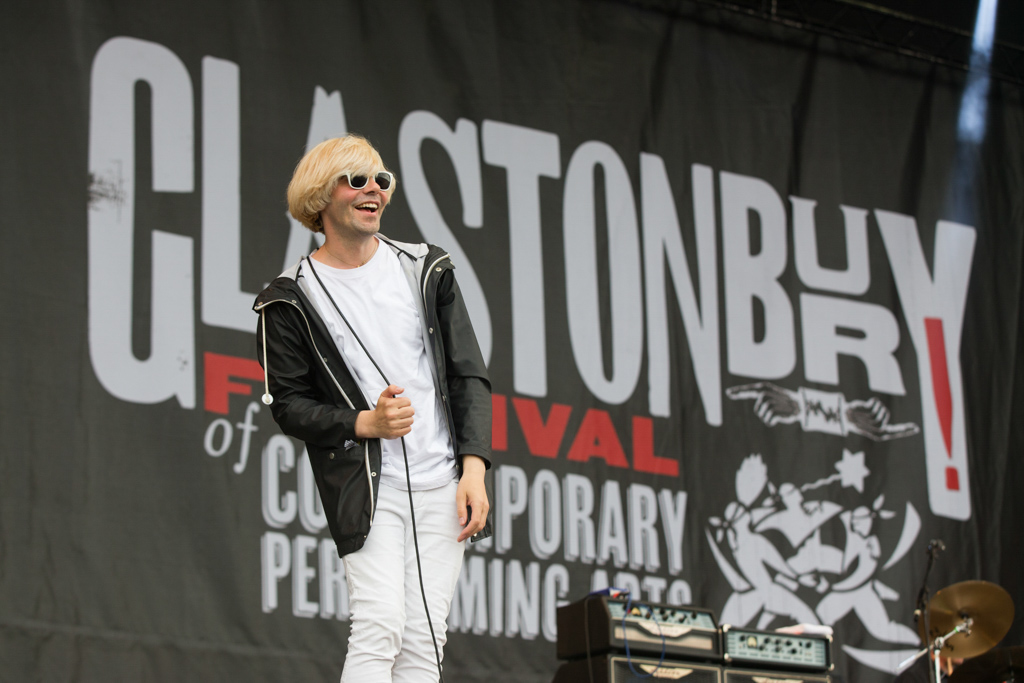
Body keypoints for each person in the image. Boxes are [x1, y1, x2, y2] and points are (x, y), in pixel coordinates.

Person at [253, 134, 492, 682]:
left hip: (442, 481)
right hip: (368, 483)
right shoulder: (289, 298)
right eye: (356, 180)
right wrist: (365, 423)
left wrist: (474, 467)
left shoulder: (425, 268)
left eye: (381, 180)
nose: (373, 191)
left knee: (424, 637)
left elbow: (468, 374)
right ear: (319, 198)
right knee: (381, 621)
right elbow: (289, 405)